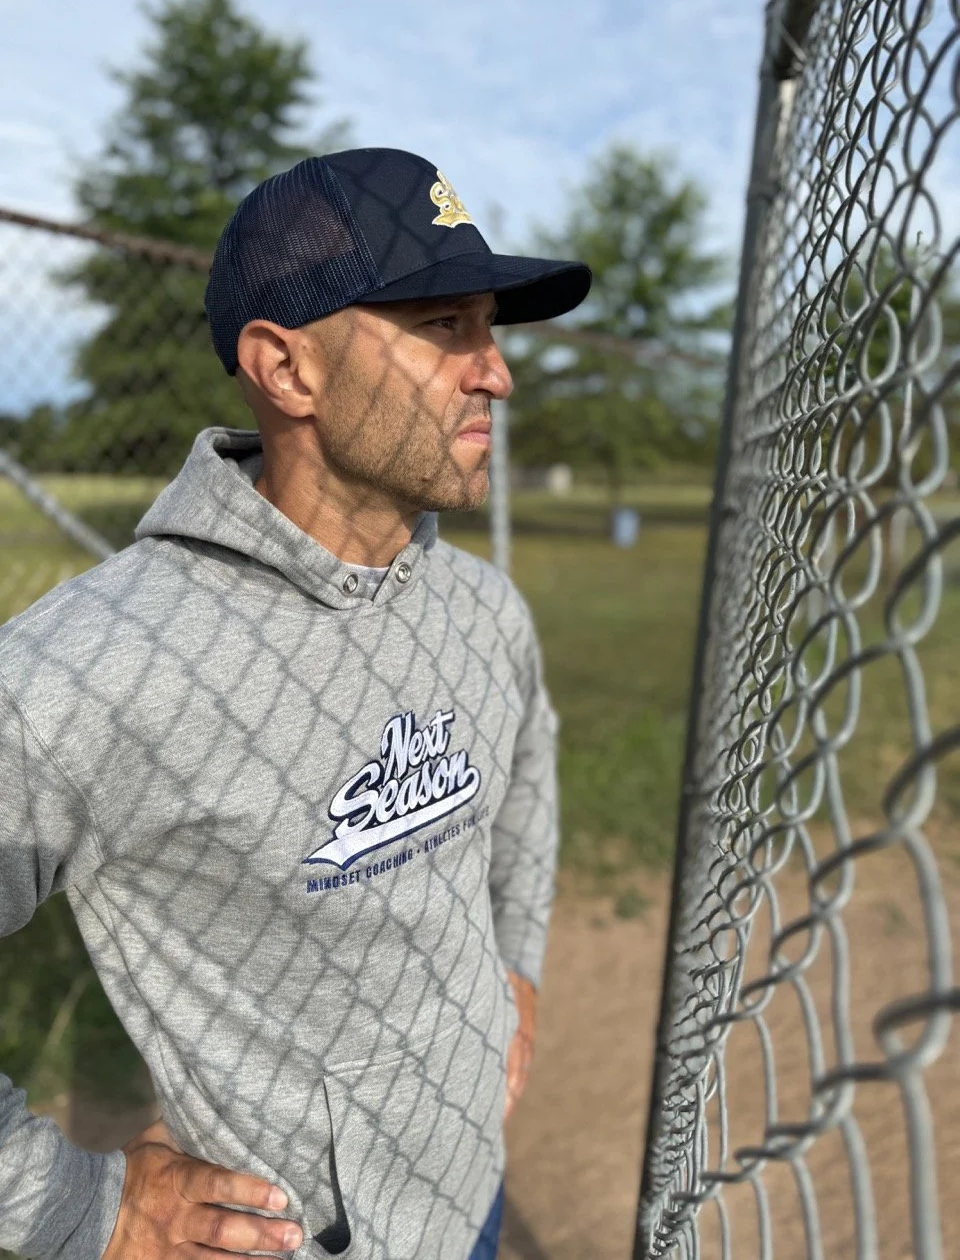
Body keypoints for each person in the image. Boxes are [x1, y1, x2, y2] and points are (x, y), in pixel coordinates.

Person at [0, 147, 590, 1260]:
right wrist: (79, 1204)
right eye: (444, 325)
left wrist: (515, 962)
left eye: (491, 326)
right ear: (286, 368)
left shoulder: (482, 607)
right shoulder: (93, 670)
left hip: (469, 1191)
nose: (498, 371)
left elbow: (528, 773)